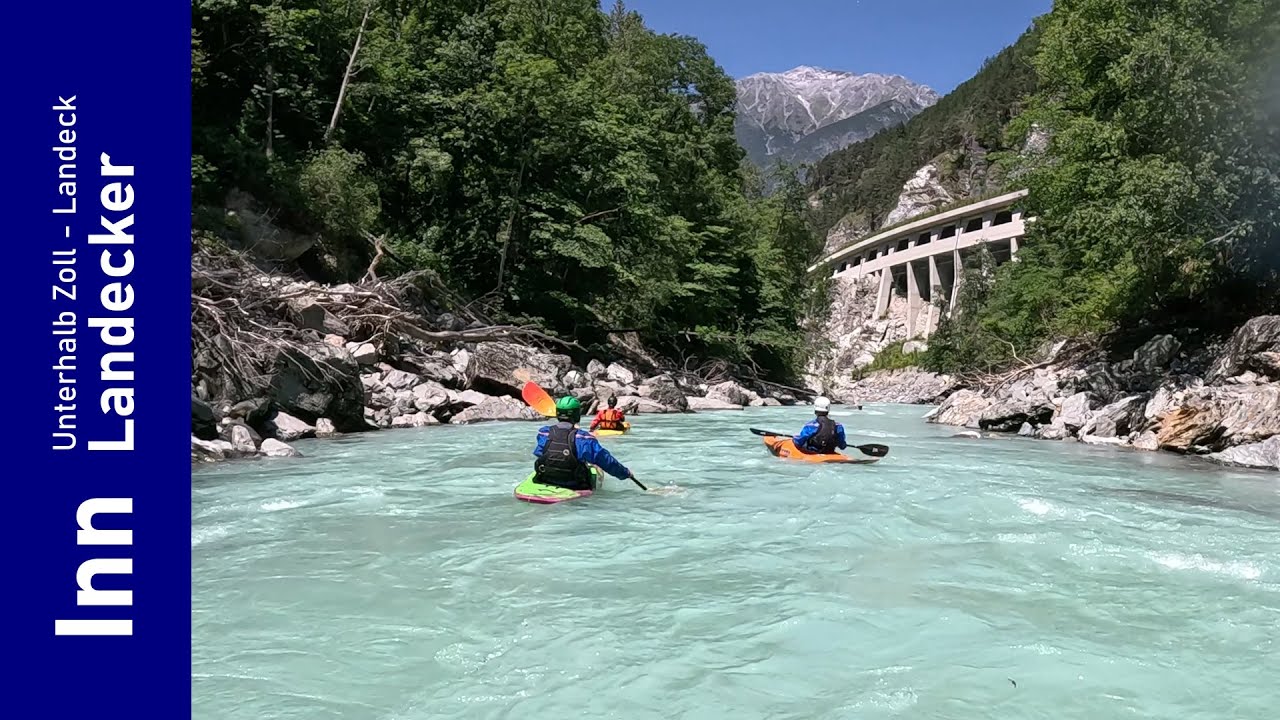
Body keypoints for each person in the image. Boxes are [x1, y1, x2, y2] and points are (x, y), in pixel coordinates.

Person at [533, 396, 638, 491]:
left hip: (546, 478)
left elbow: (539, 453)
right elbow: (606, 461)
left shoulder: (543, 433)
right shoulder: (585, 438)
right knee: (591, 462)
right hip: (574, 484)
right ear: (577, 414)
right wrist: (625, 473)